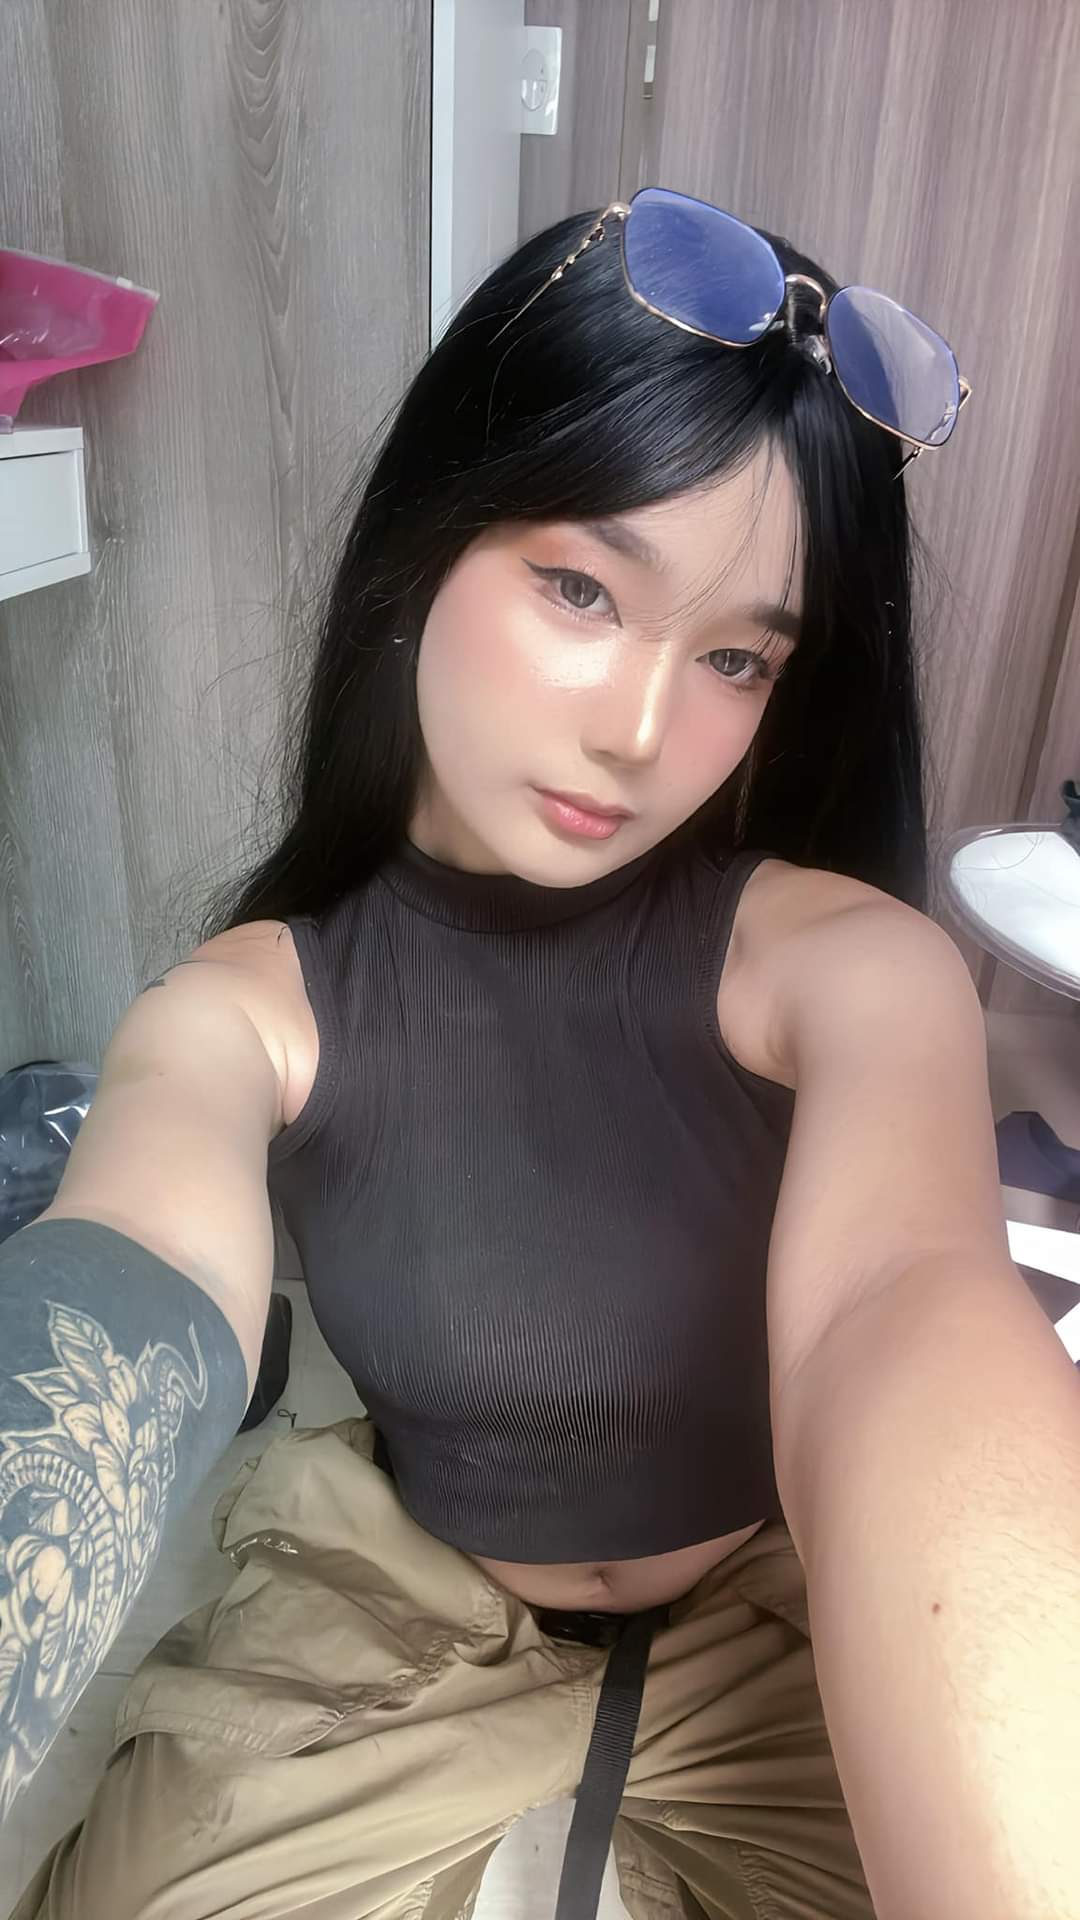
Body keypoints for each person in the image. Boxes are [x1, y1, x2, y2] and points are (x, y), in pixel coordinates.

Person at [3, 187, 1079, 1920]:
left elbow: (901, 1309)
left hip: (779, 1606)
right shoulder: (245, 1008)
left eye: (736, 656)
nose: (643, 732)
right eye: (581, 586)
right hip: (399, 1587)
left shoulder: (853, 972)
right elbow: (129, 1272)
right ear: (428, 542)